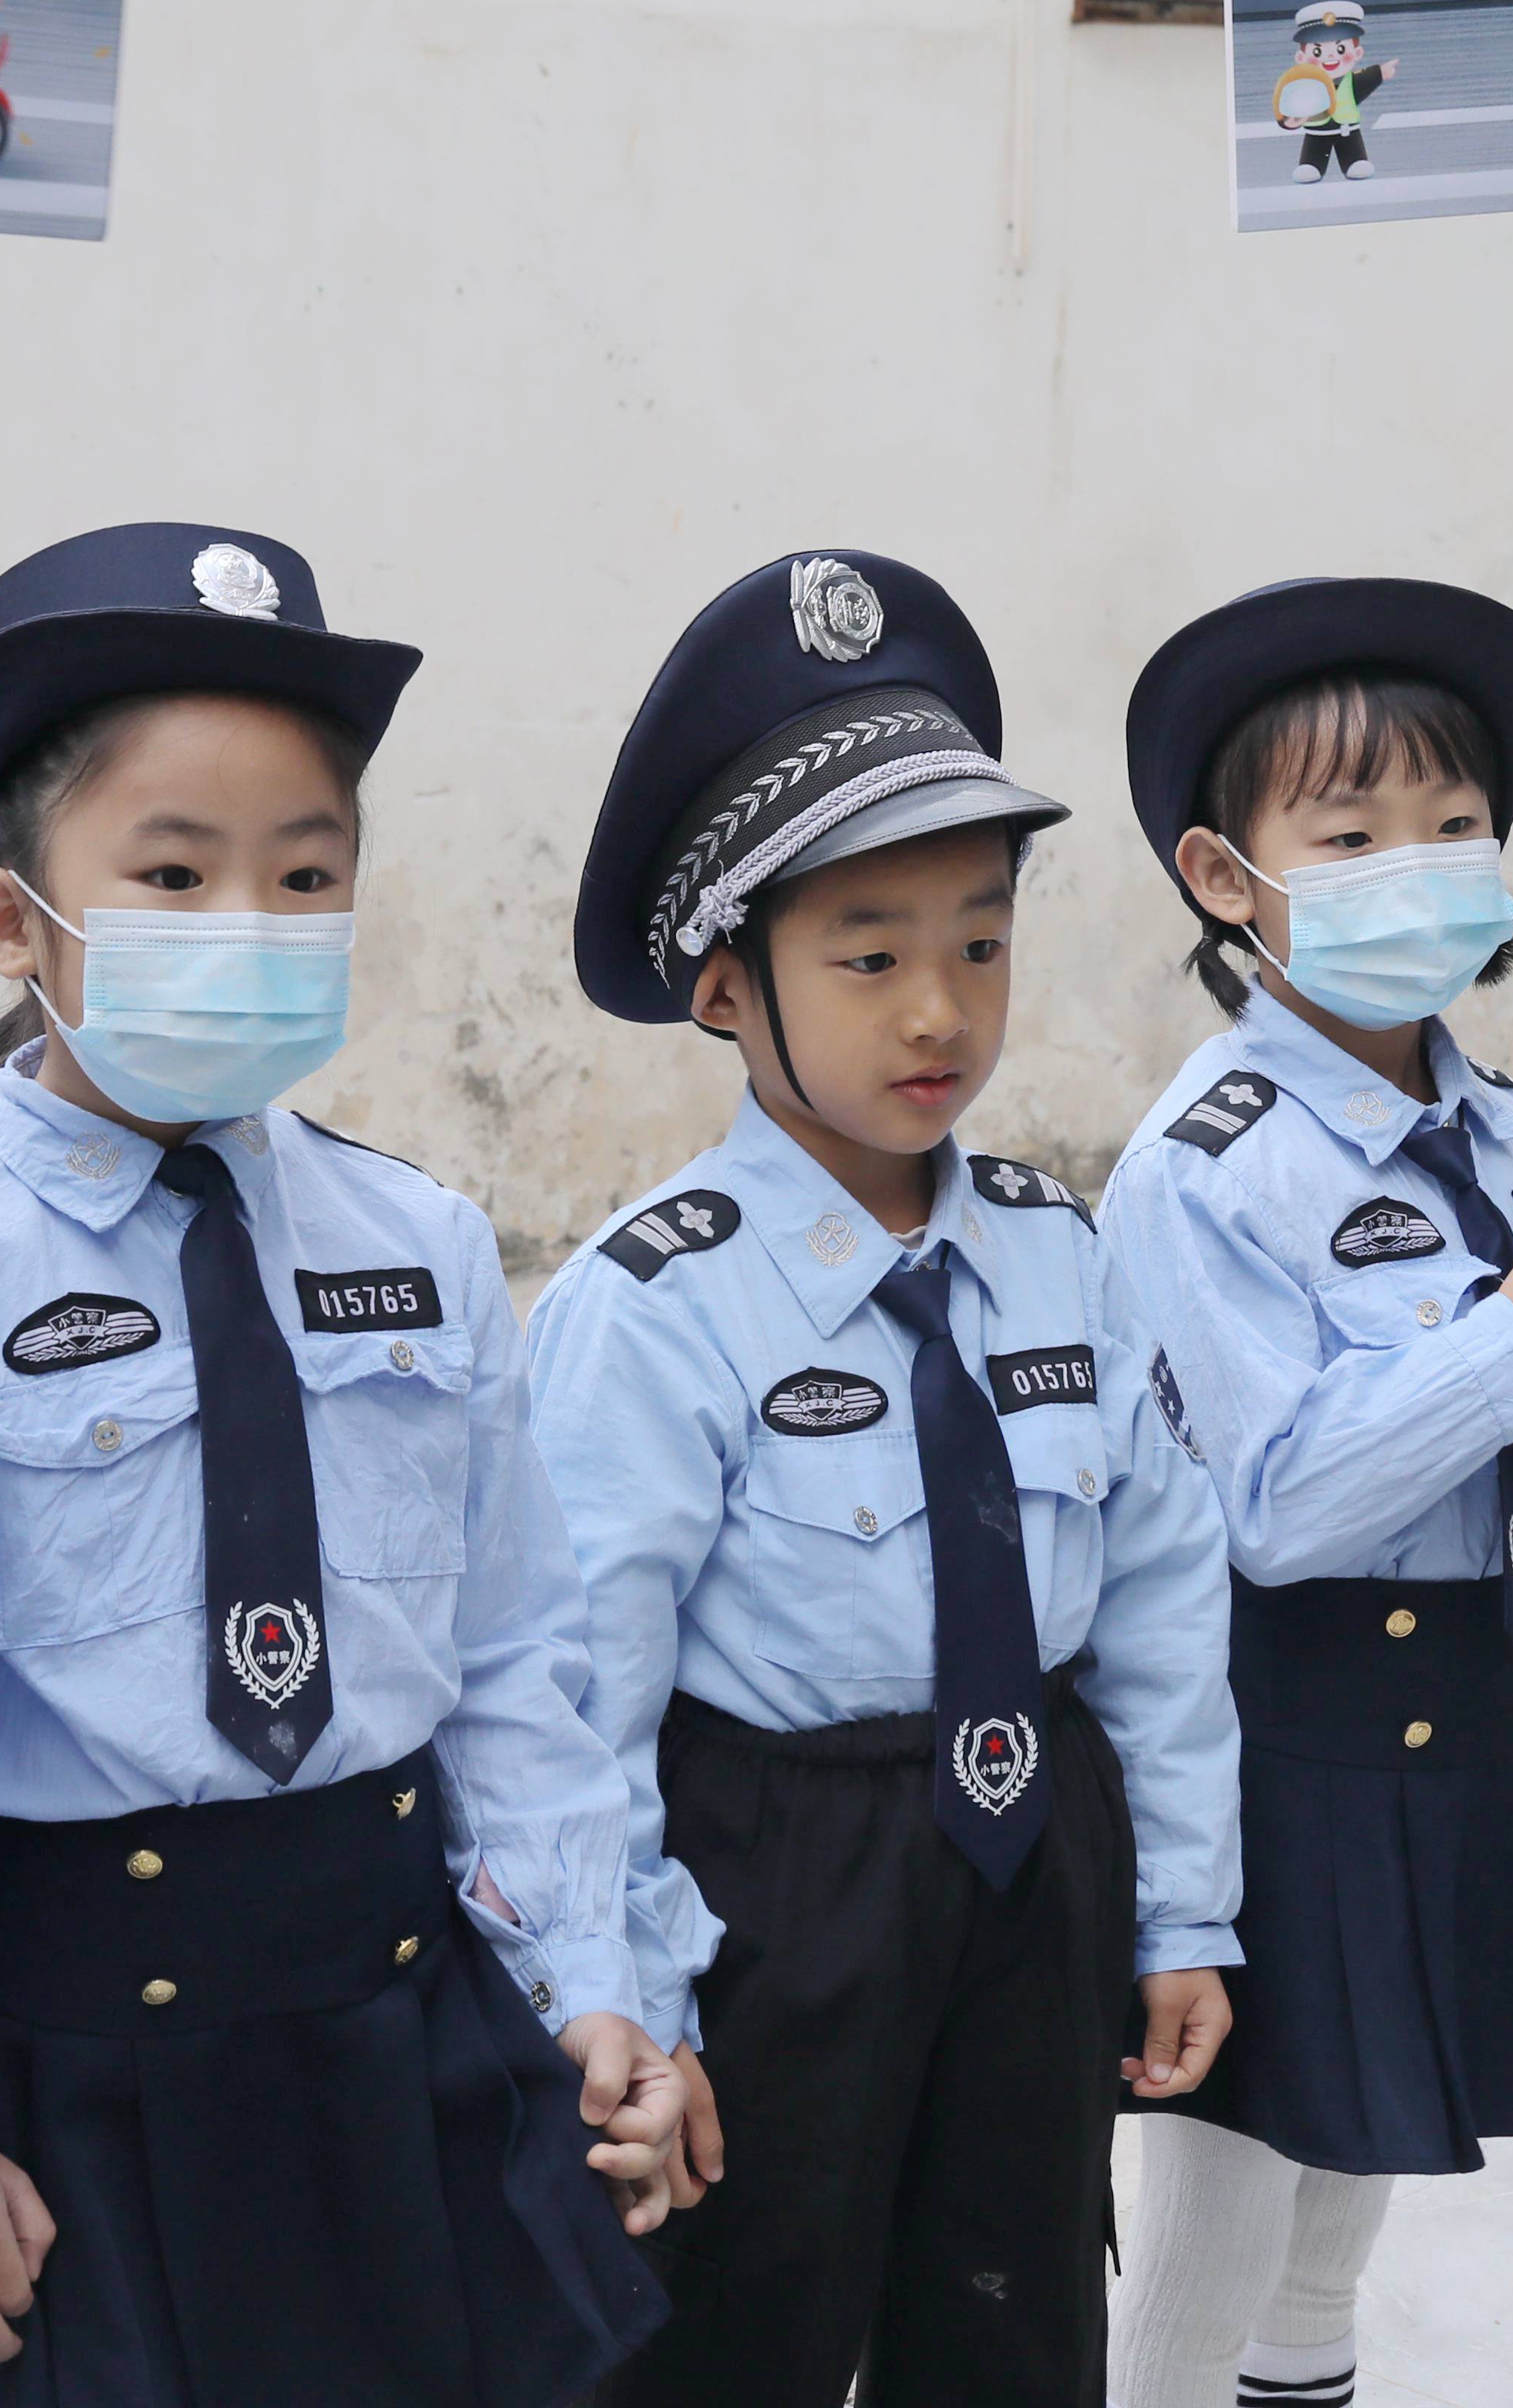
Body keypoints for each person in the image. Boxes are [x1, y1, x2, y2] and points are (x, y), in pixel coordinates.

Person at [0, 520, 683, 2407]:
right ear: (12, 919)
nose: (248, 925)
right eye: (173, 874)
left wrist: (594, 1979)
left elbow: (511, 1663)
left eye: (306, 874)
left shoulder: (423, 1241)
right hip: (77, 2072)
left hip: (401, 2033)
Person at [524, 549, 1245, 2408]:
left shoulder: (1061, 1250)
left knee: (1015, 2322)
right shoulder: (651, 1308)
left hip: (1034, 1868)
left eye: (980, 944)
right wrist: (636, 2003)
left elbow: (1163, 1597)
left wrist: (1182, 1911)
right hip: (779, 1887)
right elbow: (580, 1698)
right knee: (736, 2333)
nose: (939, 1011)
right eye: (870, 956)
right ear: (724, 983)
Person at [1098, 578, 1513, 2408]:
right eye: (1351, 838)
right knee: (1228, 2194)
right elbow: (1278, 1503)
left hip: (1481, 1713)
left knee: (1363, 2165)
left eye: (1454, 825)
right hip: (1280, 1740)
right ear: (1227, 876)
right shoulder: (1206, 1169)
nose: (1415, 869)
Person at [1269, 1, 1390, 185]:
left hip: (1348, 131)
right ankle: (1311, 164)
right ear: (1301, 58)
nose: (1331, 57)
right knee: (1312, 158)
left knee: (1355, 161)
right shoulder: (1305, 84)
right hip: (1316, 131)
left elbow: (1366, 80)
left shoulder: (1351, 81)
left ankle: (1355, 161)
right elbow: (1290, 104)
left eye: (1341, 49)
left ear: (1358, 53)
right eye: (1318, 51)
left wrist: (1379, 73)